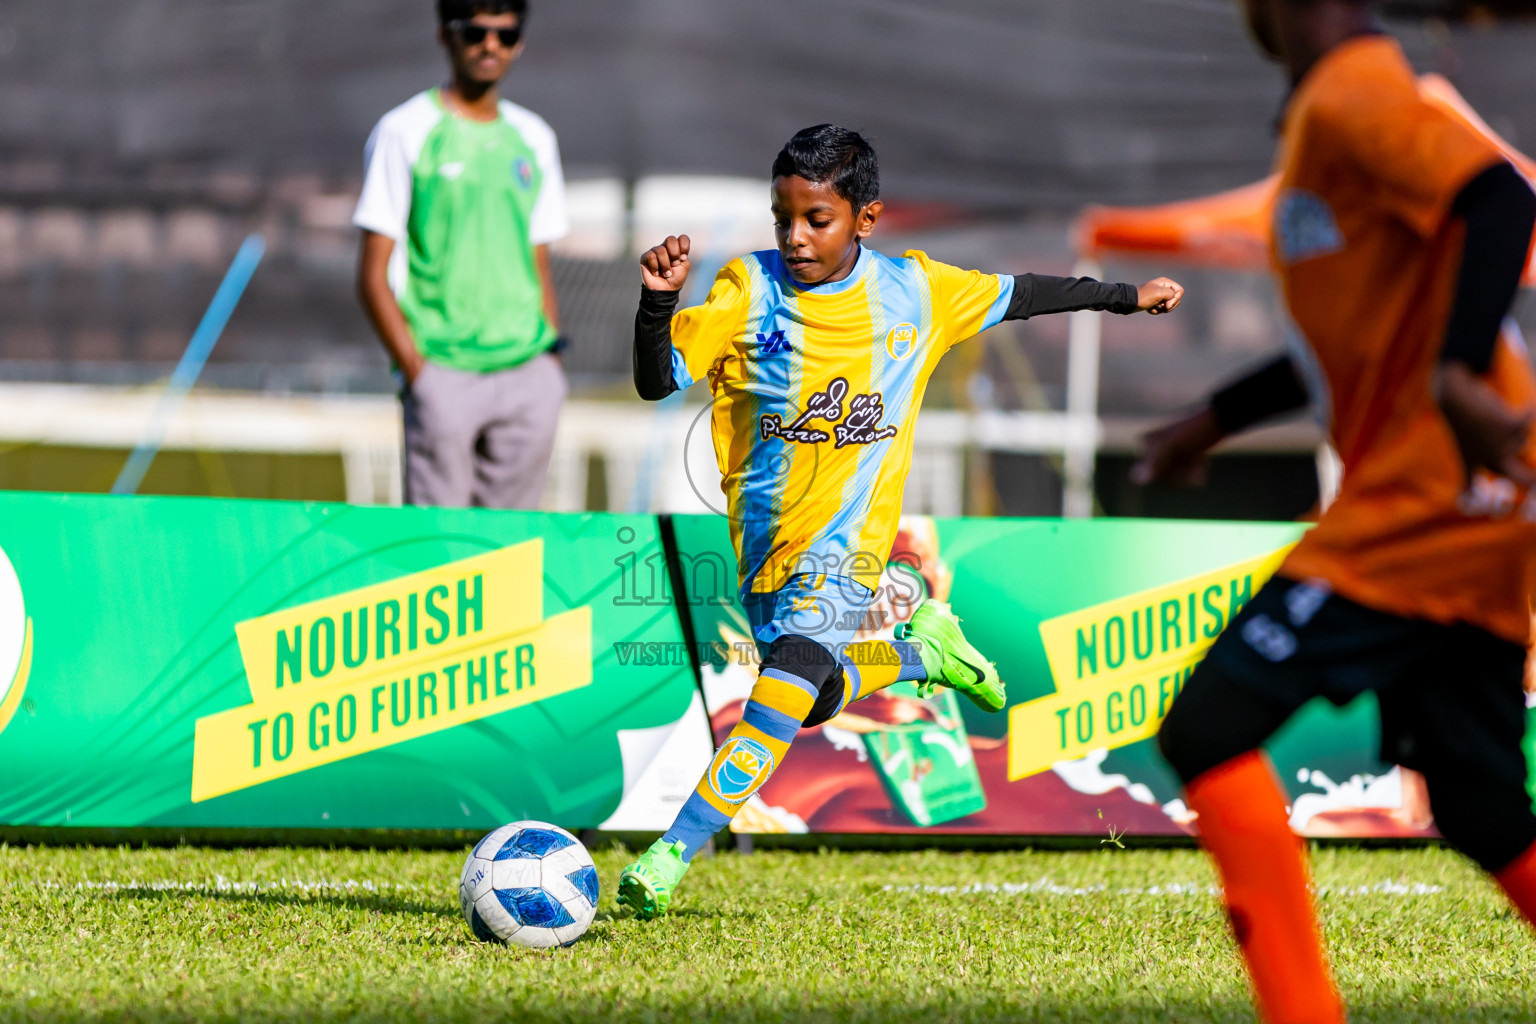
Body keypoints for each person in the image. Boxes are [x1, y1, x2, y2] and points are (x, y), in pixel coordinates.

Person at [617, 124, 1184, 919]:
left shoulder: (917, 290)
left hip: (848, 556)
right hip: (763, 554)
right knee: (811, 698)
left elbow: (1022, 294)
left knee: (778, 699)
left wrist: (1125, 297)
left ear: (866, 218)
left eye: (816, 219)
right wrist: (658, 301)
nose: (795, 236)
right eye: (783, 216)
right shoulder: (748, 290)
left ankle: (674, 850)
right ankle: (921, 653)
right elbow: (656, 380)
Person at [1137, 2, 1536, 1021]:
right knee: (1482, 803)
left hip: (1431, 499)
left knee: (1208, 723)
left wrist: (1456, 375)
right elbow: (1357, 341)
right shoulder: (1327, 114)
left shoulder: (1356, 88)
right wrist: (1212, 420)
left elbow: (1499, 197)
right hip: (1474, 499)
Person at [354, 0, 569, 509]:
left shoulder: (535, 138)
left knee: (511, 551)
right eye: (475, 32)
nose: (490, 45)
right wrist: (419, 373)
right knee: (438, 554)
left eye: (505, 33)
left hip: (526, 373)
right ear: (445, 36)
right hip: (442, 370)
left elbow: (538, 262)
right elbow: (371, 274)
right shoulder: (403, 130)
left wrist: (549, 363)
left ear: (519, 41)